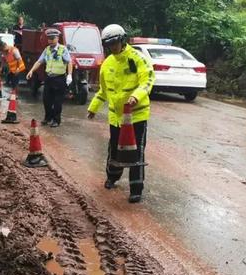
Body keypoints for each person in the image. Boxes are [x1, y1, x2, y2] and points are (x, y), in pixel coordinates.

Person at [87, 24, 155, 203]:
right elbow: (103, 90)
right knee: (115, 148)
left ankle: (136, 189)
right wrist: (93, 108)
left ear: (122, 40)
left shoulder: (137, 58)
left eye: (115, 43)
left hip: (136, 115)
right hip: (116, 117)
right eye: (109, 44)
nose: (113, 47)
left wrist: (135, 97)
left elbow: (147, 81)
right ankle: (112, 177)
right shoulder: (107, 64)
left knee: (136, 152)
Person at [26, 28, 73, 128]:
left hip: (59, 79)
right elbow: (39, 61)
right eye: (49, 39)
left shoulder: (63, 49)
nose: (50, 40)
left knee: (57, 101)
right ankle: (48, 118)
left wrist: (69, 75)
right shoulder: (47, 50)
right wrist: (31, 71)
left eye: (53, 38)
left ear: (57, 38)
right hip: (49, 78)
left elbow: (69, 62)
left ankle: (56, 120)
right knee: (46, 100)